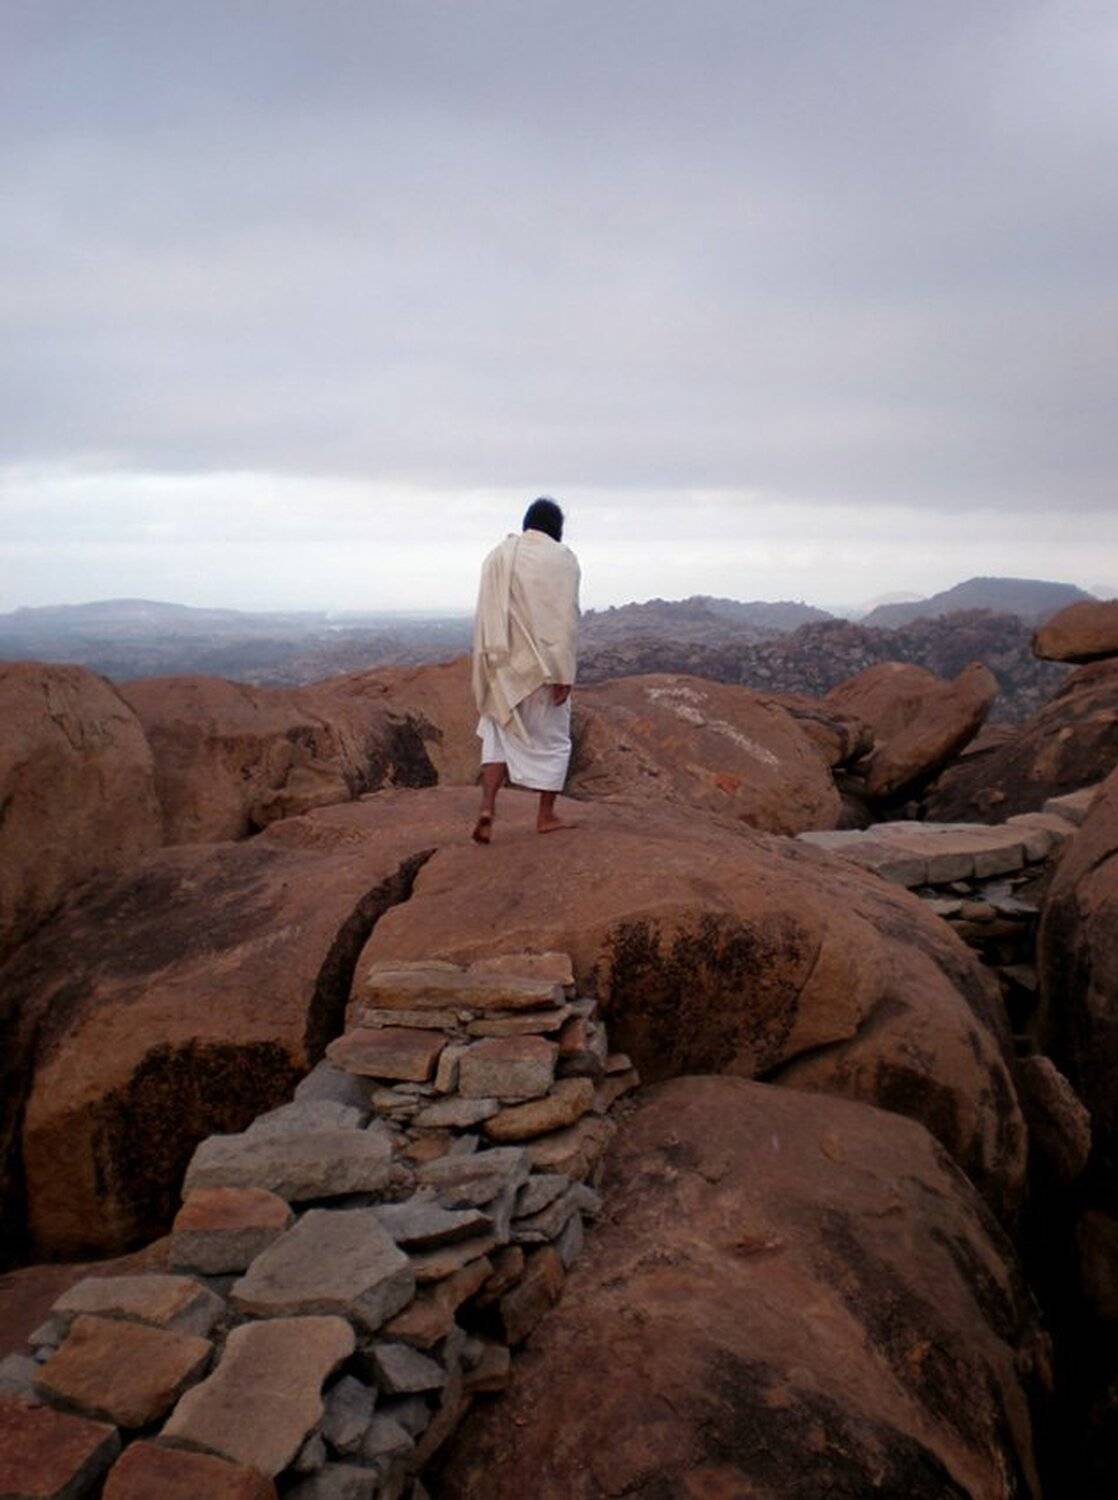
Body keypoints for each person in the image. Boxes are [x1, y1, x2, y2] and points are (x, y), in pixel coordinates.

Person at [471, 497, 581, 843]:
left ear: (527, 524)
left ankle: (488, 807)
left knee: (498, 737)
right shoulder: (563, 560)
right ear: (557, 529)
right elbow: (564, 619)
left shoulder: (499, 555)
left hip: (501, 667)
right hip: (542, 670)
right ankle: (546, 816)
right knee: (555, 742)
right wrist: (565, 673)